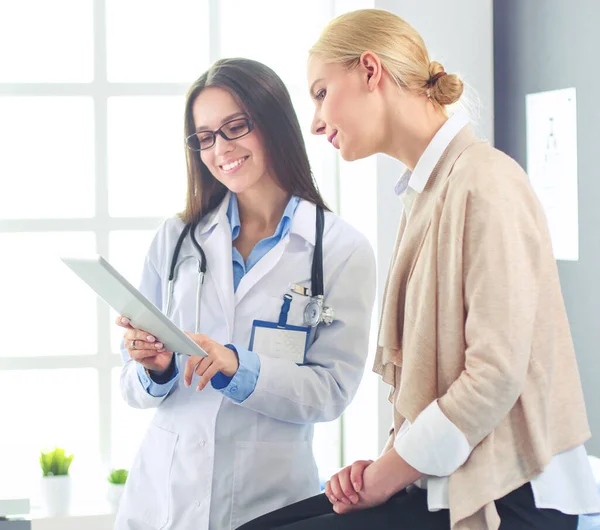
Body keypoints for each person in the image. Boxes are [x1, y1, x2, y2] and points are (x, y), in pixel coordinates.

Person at [237, 8, 600, 530]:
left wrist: (385, 475)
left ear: (369, 71)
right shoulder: (425, 193)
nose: (315, 122)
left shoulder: (487, 181)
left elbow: (494, 377)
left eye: (320, 92)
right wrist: (387, 466)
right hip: (442, 477)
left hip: (511, 492)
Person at [113, 57, 376, 530]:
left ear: (274, 124)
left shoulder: (340, 249)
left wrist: (239, 367)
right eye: (206, 137)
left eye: (236, 127)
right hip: (163, 498)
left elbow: (332, 393)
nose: (222, 149)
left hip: (271, 500)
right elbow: (132, 389)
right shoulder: (176, 239)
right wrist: (155, 368)